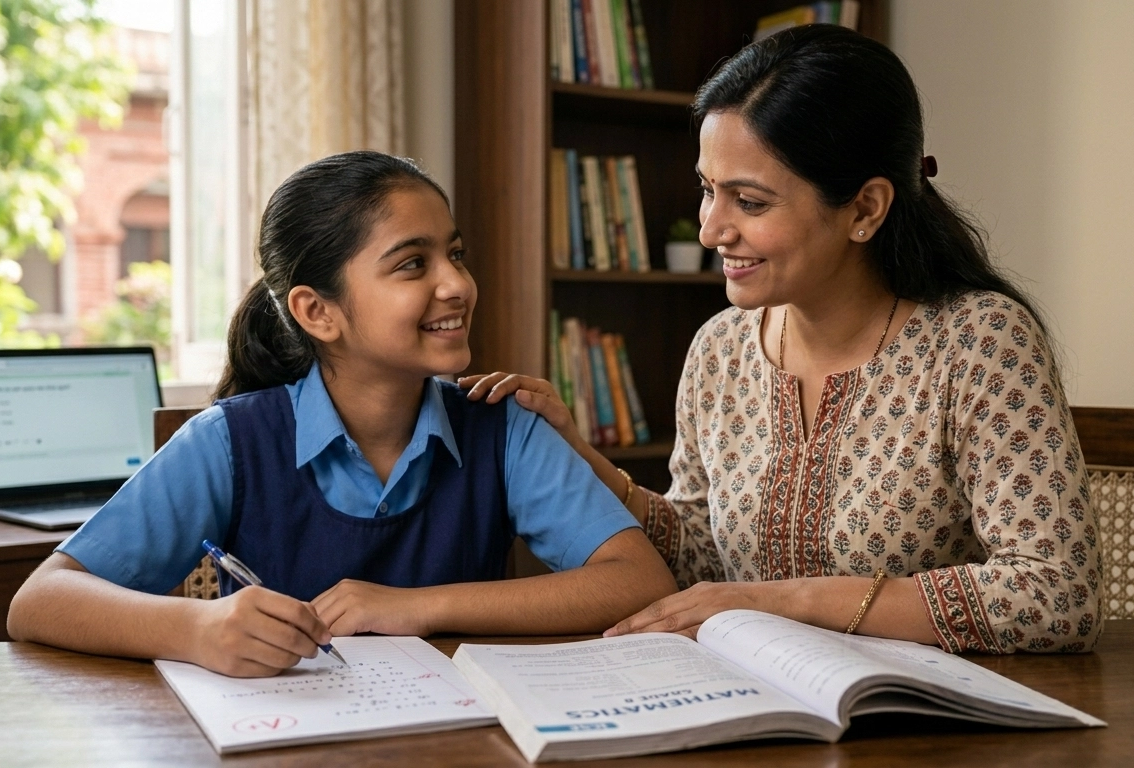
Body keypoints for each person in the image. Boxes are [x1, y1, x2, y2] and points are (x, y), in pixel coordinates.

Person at [462, 25, 1101, 654]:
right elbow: (701, 557)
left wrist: (779, 600)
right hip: (761, 706)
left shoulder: (979, 342)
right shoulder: (719, 349)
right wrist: (584, 458)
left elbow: (1057, 594)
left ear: (865, 209)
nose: (711, 230)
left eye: (750, 202)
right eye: (708, 190)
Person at [8, 151, 676, 677]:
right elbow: (41, 600)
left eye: (456, 254)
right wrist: (196, 629)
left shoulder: (504, 425)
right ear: (316, 311)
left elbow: (637, 580)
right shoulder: (229, 441)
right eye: (413, 263)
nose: (458, 284)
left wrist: (413, 607)